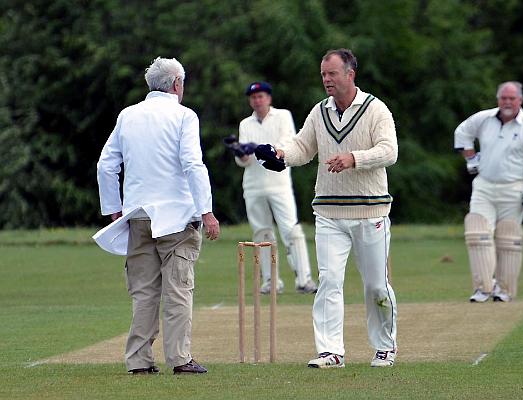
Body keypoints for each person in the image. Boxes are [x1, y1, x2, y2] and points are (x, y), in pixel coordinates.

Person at [255, 49, 398, 368]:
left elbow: (389, 151)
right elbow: (303, 147)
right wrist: (280, 154)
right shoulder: (319, 111)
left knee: (376, 285)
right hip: (329, 212)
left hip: (370, 212)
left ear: (351, 74)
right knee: (329, 281)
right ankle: (330, 350)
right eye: (323, 74)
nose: (326, 80)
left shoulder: (376, 110)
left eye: (332, 73)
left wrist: (354, 159)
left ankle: (385, 346)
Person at [96, 57, 220, 375]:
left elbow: (105, 165)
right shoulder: (183, 116)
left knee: (143, 291)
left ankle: (138, 362)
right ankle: (179, 359)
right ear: (177, 84)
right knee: (178, 288)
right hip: (178, 218)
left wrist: (113, 210)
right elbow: (193, 163)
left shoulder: (128, 115)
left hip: (137, 216)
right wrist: (207, 211)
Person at [454, 81, 523, 303]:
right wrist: (471, 157)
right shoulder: (484, 119)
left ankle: (504, 289)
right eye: (503, 98)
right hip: (484, 185)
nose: (507, 102)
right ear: (498, 99)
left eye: (512, 98)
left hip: (513, 188)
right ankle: (483, 288)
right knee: (477, 233)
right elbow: (462, 132)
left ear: (520, 101)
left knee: (508, 238)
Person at [232, 81, 317, 295]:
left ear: (269, 98)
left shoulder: (283, 116)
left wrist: (258, 149)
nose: (257, 100)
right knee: (261, 232)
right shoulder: (245, 124)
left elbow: (286, 144)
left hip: (279, 185)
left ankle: (304, 279)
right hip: (253, 186)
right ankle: (271, 281)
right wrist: (241, 154)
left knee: (291, 230)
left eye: (261, 96)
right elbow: (245, 161)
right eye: (253, 98)